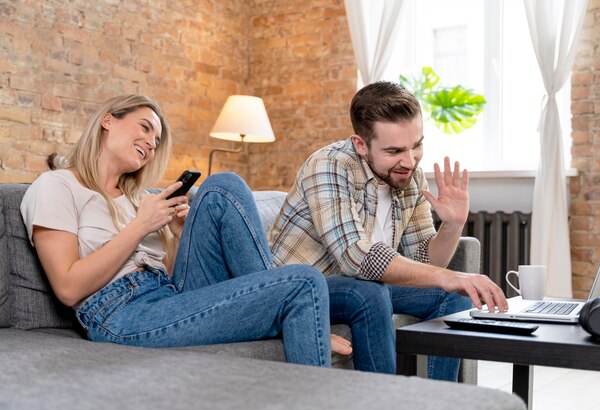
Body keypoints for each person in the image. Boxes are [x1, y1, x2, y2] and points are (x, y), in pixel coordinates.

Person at [20, 94, 352, 367]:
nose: (150, 143)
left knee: (223, 185)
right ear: (109, 120)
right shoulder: (57, 185)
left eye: (156, 140)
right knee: (303, 282)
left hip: (167, 295)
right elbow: (67, 287)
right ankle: (284, 312)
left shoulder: (138, 200)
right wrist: (140, 227)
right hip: (119, 314)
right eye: (145, 128)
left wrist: (178, 235)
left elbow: (168, 277)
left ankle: (275, 304)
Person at [270, 81, 508, 380]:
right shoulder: (329, 165)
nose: (409, 162)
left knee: (454, 299)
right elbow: (355, 258)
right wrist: (448, 277)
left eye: (416, 145)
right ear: (360, 145)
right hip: (302, 291)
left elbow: (424, 263)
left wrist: (453, 224)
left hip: (360, 286)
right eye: (394, 150)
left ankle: (436, 407)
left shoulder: (408, 175)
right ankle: (386, 405)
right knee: (369, 292)